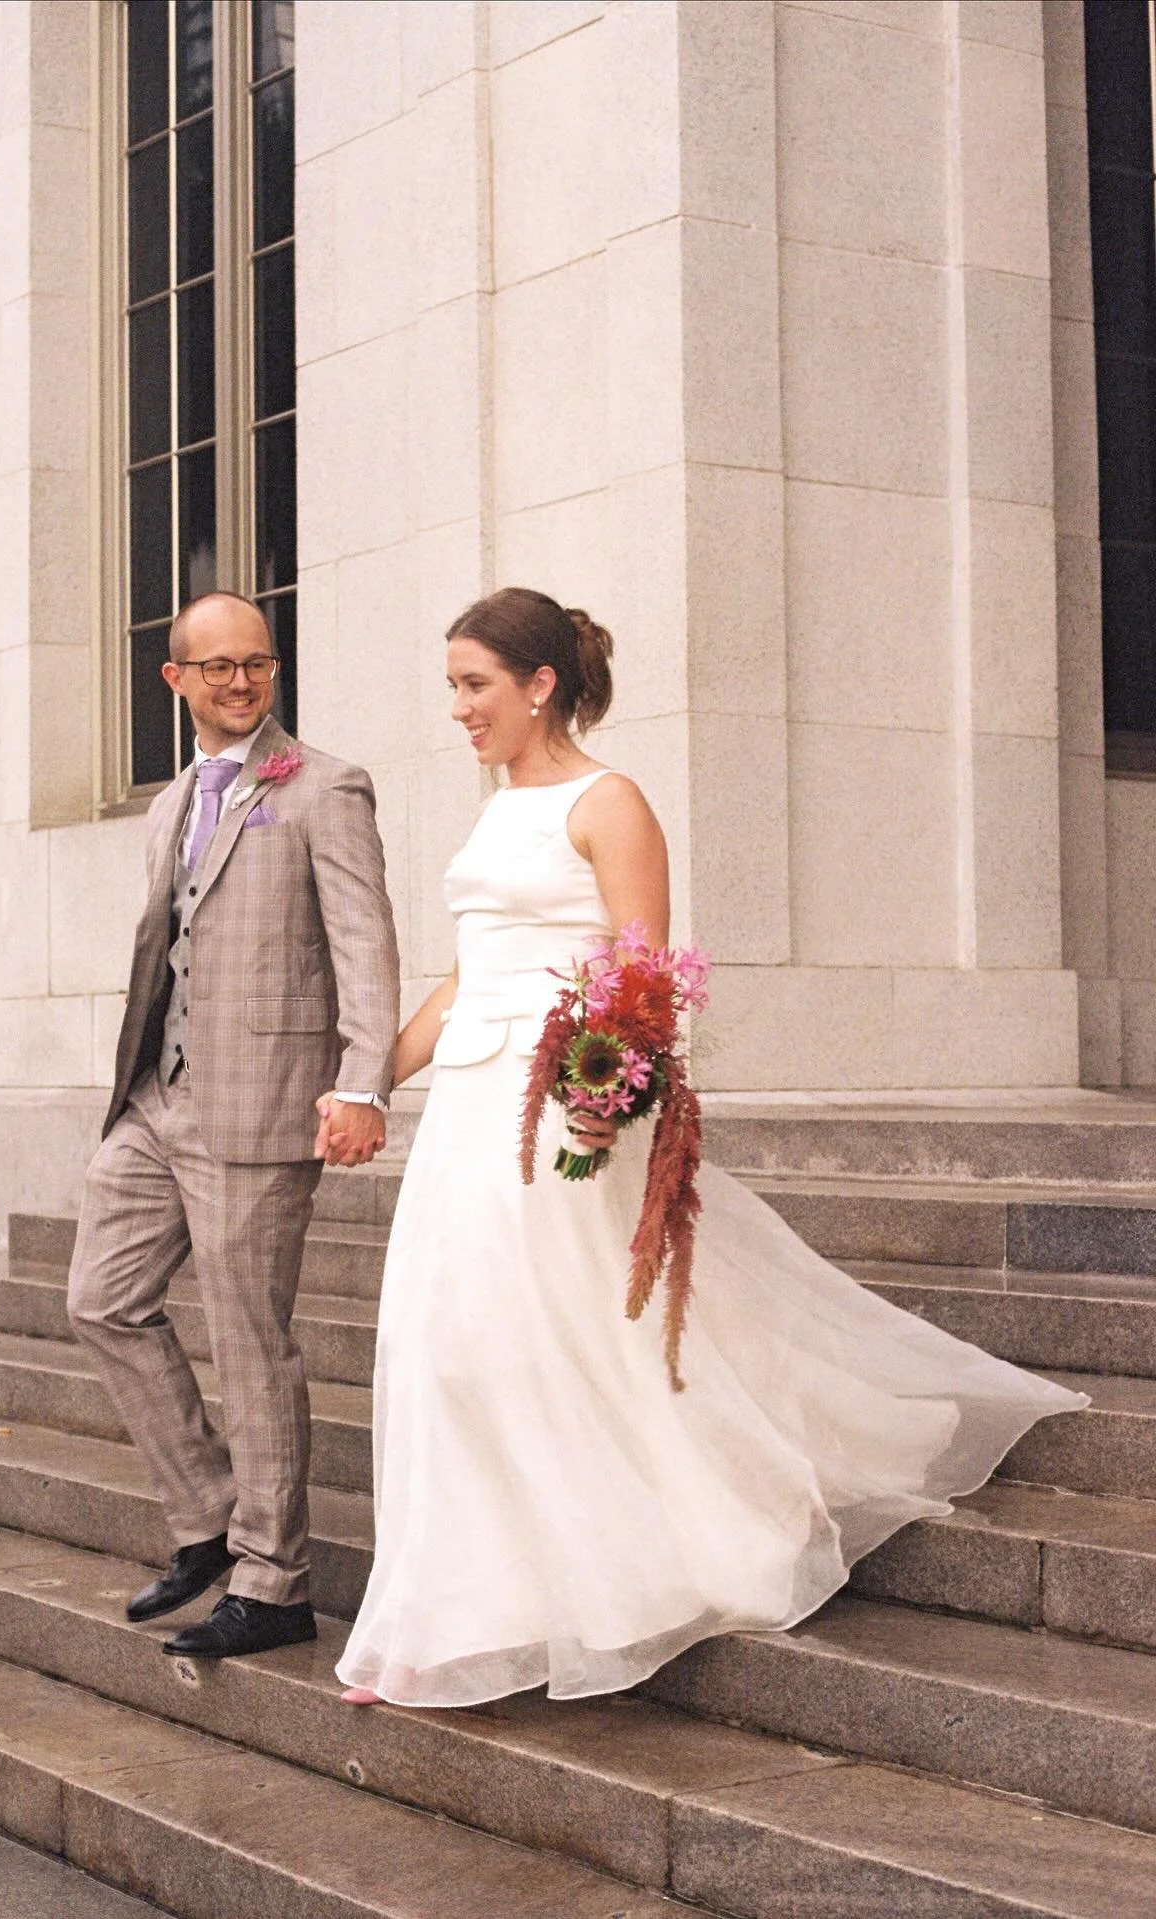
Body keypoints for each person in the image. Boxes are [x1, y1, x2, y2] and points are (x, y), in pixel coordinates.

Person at [334, 586, 1087, 1708]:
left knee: (550, 1336)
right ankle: (456, 1609)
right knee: (452, 1342)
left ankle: (648, 1550)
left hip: (558, 1113)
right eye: (452, 685)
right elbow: (464, 974)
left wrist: (613, 1092)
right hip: (466, 1110)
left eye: (475, 684)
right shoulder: (495, 810)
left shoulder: (611, 800)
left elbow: (642, 971)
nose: (458, 707)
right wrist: (366, 1079)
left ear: (540, 684)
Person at [68, 591, 400, 1662]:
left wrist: (364, 1081)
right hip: (155, 1103)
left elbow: (366, 949)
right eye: (217, 667)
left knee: (252, 1340)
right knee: (101, 1299)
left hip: (259, 1108)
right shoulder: (171, 801)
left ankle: (275, 1579)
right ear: (178, 680)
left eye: (256, 663)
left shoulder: (324, 786)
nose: (241, 682)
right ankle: (209, 1516)